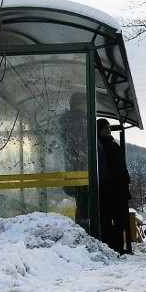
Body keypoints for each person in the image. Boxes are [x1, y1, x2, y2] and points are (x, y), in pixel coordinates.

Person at [97, 118, 132, 255]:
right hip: (110, 187)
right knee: (109, 219)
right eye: (105, 127)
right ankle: (114, 246)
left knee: (119, 220)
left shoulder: (110, 144)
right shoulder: (101, 146)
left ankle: (116, 246)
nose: (108, 129)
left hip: (117, 187)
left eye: (109, 127)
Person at [59, 92, 89, 229]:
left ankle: (84, 230)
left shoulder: (68, 121)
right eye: (85, 103)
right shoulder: (77, 121)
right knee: (84, 206)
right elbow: (80, 147)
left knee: (82, 204)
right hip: (81, 170)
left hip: (74, 169)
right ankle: (85, 232)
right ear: (80, 104)